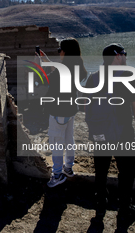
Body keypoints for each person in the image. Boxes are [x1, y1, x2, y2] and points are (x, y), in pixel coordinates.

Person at [85, 43, 135, 222]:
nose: (126, 57)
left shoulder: (93, 78)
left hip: (99, 133)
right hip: (123, 133)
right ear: (117, 56)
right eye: (124, 54)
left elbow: (86, 106)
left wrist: (94, 129)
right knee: (126, 172)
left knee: (101, 170)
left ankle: (100, 204)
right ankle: (125, 208)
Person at [38, 38, 87, 188]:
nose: (59, 53)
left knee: (56, 142)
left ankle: (58, 174)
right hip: (70, 109)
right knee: (68, 138)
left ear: (65, 52)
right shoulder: (78, 67)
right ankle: (68, 168)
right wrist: (46, 60)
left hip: (58, 111)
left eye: (60, 50)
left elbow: (45, 81)